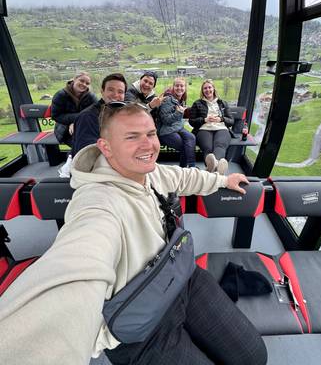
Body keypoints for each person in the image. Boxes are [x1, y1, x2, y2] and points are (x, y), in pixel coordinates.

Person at [0, 103, 267, 365]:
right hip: (140, 325)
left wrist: (222, 181)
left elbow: (182, 177)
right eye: (131, 137)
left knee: (253, 356)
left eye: (150, 134)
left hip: (181, 277)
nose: (148, 145)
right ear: (105, 147)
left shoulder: (149, 172)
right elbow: (77, 265)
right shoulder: (97, 203)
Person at [71, 73, 127, 156]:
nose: (115, 95)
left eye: (120, 92)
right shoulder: (88, 117)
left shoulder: (121, 113)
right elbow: (87, 154)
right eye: (111, 90)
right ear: (102, 92)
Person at [189, 79, 234, 175]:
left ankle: (212, 169)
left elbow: (231, 121)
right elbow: (191, 121)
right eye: (205, 88)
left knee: (220, 145)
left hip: (221, 128)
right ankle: (218, 169)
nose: (207, 90)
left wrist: (221, 119)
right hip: (204, 129)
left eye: (209, 87)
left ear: (213, 89)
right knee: (208, 148)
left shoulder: (222, 103)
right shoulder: (197, 103)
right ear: (202, 91)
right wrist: (204, 120)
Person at [158, 77, 196, 168]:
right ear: (173, 87)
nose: (179, 88)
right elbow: (166, 120)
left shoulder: (180, 99)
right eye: (177, 86)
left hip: (177, 128)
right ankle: (189, 168)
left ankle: (191, 166)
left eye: (182, 86)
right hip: (167, 131)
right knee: (185, 146)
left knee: (191, 137)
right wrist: (179, 112)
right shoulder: (167, 100)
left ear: (185, 88)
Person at [51, 72, 97, 147]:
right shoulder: (61, 95)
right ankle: (73, 158)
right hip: (65, 130)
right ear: (74, 79)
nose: (84, 84)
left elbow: (97, 113)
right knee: (81, 145)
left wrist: (76, 123)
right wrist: (74, 121)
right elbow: (56, 116)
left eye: (87, 83)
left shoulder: (91, 97)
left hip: (84, 127)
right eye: (81, 81)